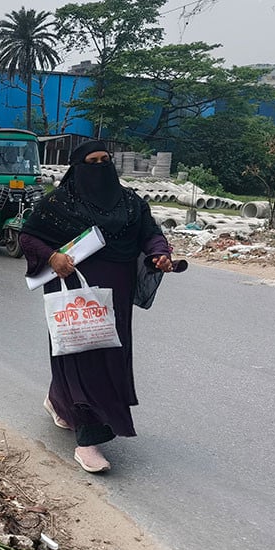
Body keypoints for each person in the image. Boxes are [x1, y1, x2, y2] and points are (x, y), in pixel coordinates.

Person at [20, 140, 176, 474]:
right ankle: (88, 442)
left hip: (116, 296)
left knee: (108, 357)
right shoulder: (58, 203)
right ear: (76, 168)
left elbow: (150, 234)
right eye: (92, 161)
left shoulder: (131, 203)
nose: (100, 166)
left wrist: (159, 253)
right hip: (73, 288)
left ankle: (59, 399)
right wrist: (52, 256)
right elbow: (29, 236)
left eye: (105, 160)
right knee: (80, 356)